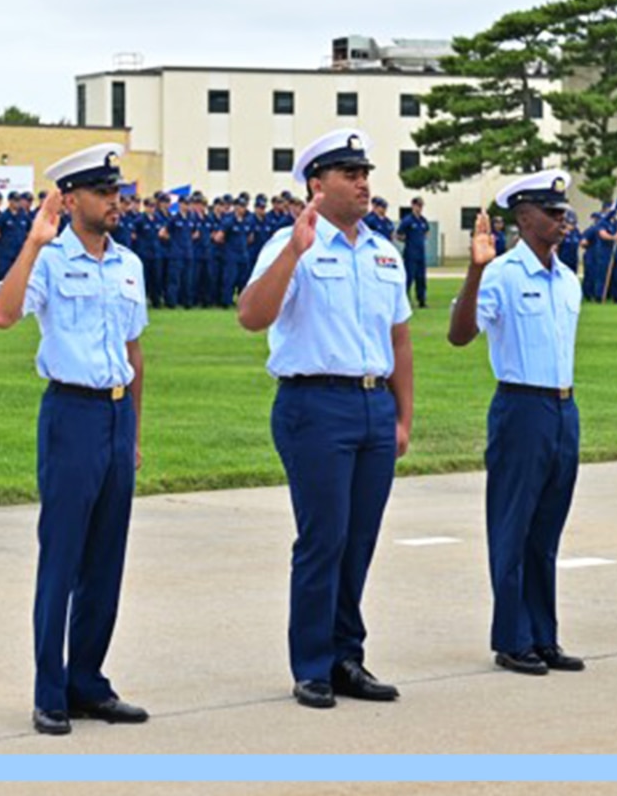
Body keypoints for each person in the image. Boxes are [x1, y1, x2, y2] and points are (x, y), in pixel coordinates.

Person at [237, 128, 414, 710]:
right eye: (349, 173)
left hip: (371, 405)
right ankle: (312, 663)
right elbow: (252, 316)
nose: (364, 182)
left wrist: (402, 416)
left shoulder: (383, 250)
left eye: (365, 172)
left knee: (358, 541)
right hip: (314, 405)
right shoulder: (293, 244)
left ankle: (347, 656)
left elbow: (400, 339)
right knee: (324, 539)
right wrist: (293, 250)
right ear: (317, 183)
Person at [0, 143, 150, 737]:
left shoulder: (129, 263)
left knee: (107, 560)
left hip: (114, 418)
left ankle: (88, 681)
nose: (116, 202)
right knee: (62, 559)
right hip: (71, 416)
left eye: (118, 192)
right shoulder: (50, 261)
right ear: (70, 198)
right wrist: (32, 244)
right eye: (104, 193)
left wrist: (133, 430)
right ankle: (49, 690)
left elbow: (134, 352)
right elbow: (2, 316)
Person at [447, 170, 585, 676]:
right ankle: (511, 638)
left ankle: (542, 634)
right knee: (512, 528)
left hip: (563, 410)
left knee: (545, 532)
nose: (562, 220)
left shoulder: (568, 280)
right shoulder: (501, 274)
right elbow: (459, 335)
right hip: (520, 408)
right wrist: (475, 272)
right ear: (524, 217)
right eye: (552, 213)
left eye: (564, 211)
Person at [395, 197, 430, 308]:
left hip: (421, 253)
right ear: (413, 206)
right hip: (410, 253)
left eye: (421, 206)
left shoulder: (423, 221)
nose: (420, 208)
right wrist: (407, 240)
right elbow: (398, 234)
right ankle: (405, 301)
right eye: (418, 205)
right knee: (409, 277)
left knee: (421, 278)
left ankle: (421, 300)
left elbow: (426, 232)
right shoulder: (408, 220)